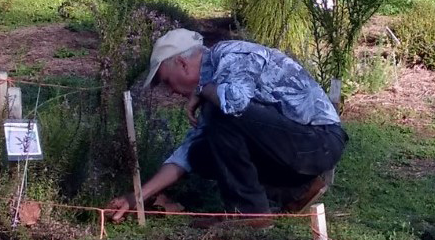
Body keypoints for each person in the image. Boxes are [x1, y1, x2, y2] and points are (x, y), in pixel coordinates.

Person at [106, 28, 347, 227]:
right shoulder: (213, 85)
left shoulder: (231, 55)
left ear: (182, 64)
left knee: (222, 113)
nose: (171, 91)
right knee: (199, 152)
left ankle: (249, 216)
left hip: (320, 140)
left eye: (167, 81)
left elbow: (235, 103)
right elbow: (184, 157)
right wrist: (136, 198)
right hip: (296, 145)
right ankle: (298, 190)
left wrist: (202, 91)